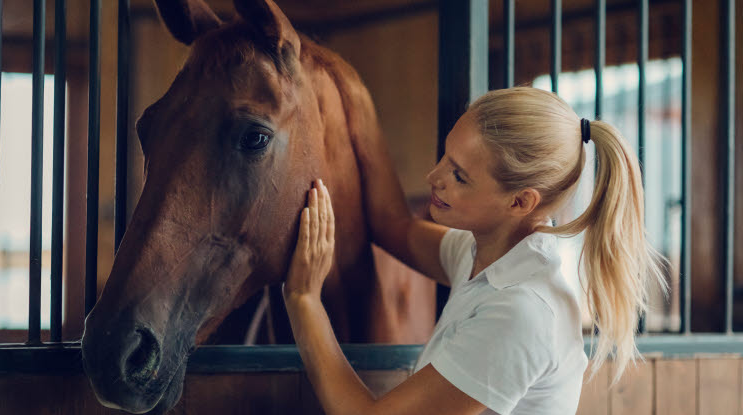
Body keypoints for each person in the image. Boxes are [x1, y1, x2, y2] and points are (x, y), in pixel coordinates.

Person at [281, 86, 669, 415]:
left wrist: (303, 299)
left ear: (520, 202)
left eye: (459, 175)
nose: (434, 176)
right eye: (445, 156)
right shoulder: (484, 253)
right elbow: (395, 226)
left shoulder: (522, 310)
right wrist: (355, 102)